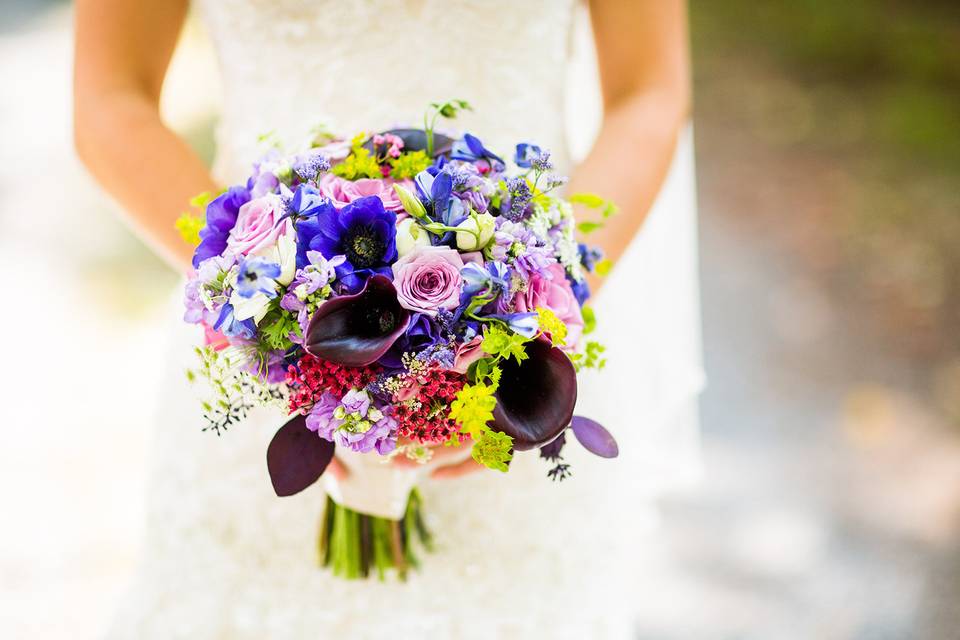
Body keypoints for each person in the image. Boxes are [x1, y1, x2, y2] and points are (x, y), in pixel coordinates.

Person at [74, 1, 703, 637]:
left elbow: (646, 93)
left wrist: (532, 305)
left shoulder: (522, 326)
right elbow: (110, 100)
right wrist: (261, 305)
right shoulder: (263, 326)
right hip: (257, 363)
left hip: (518, 367)